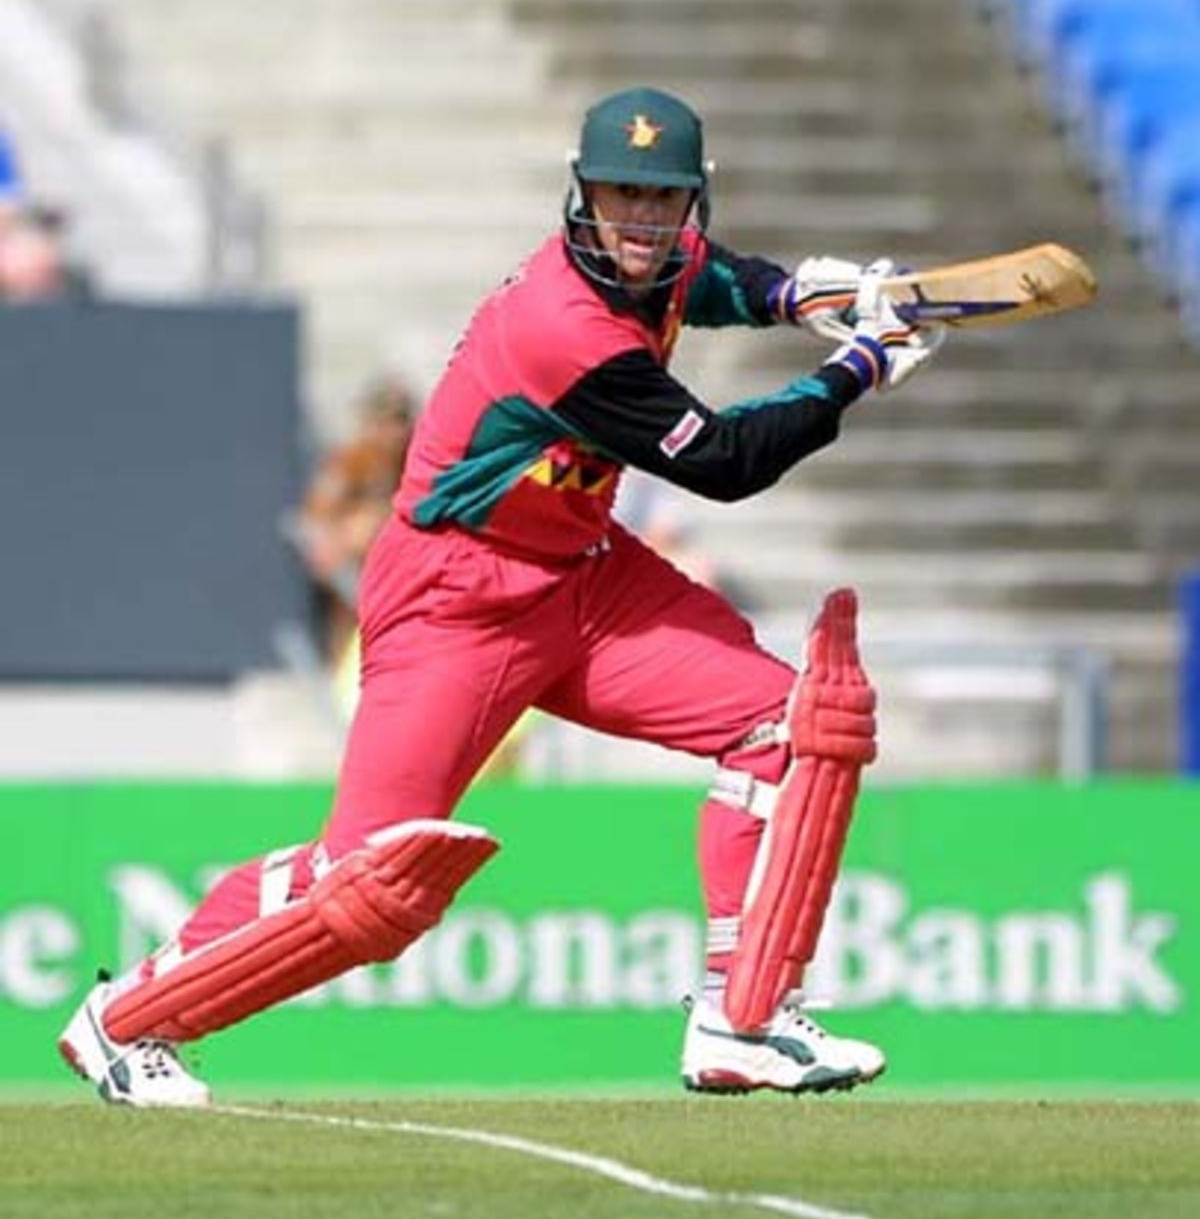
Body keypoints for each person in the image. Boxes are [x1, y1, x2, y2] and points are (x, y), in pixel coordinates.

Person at [57, 86, 941, 1107]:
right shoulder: (564, 327)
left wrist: (803, 295)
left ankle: (741, 1021)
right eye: (622, 196)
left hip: (584, 575)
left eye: (664, 200)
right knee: (366, 887)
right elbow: (730, 462)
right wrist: (860, 364)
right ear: (583, 194)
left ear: (691, 200)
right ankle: (128, 1021)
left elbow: (718, 280)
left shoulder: (664, 260)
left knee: (795, 725)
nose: (643, 222)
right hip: (456, 598)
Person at [293, 374, 417, 709]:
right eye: (381, 421)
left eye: (397, 420)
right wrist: (346, 534)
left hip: (408, 587)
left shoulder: (420, 458)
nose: (389, 431)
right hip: (358, 592)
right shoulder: (351, 461)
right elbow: (314, 520)